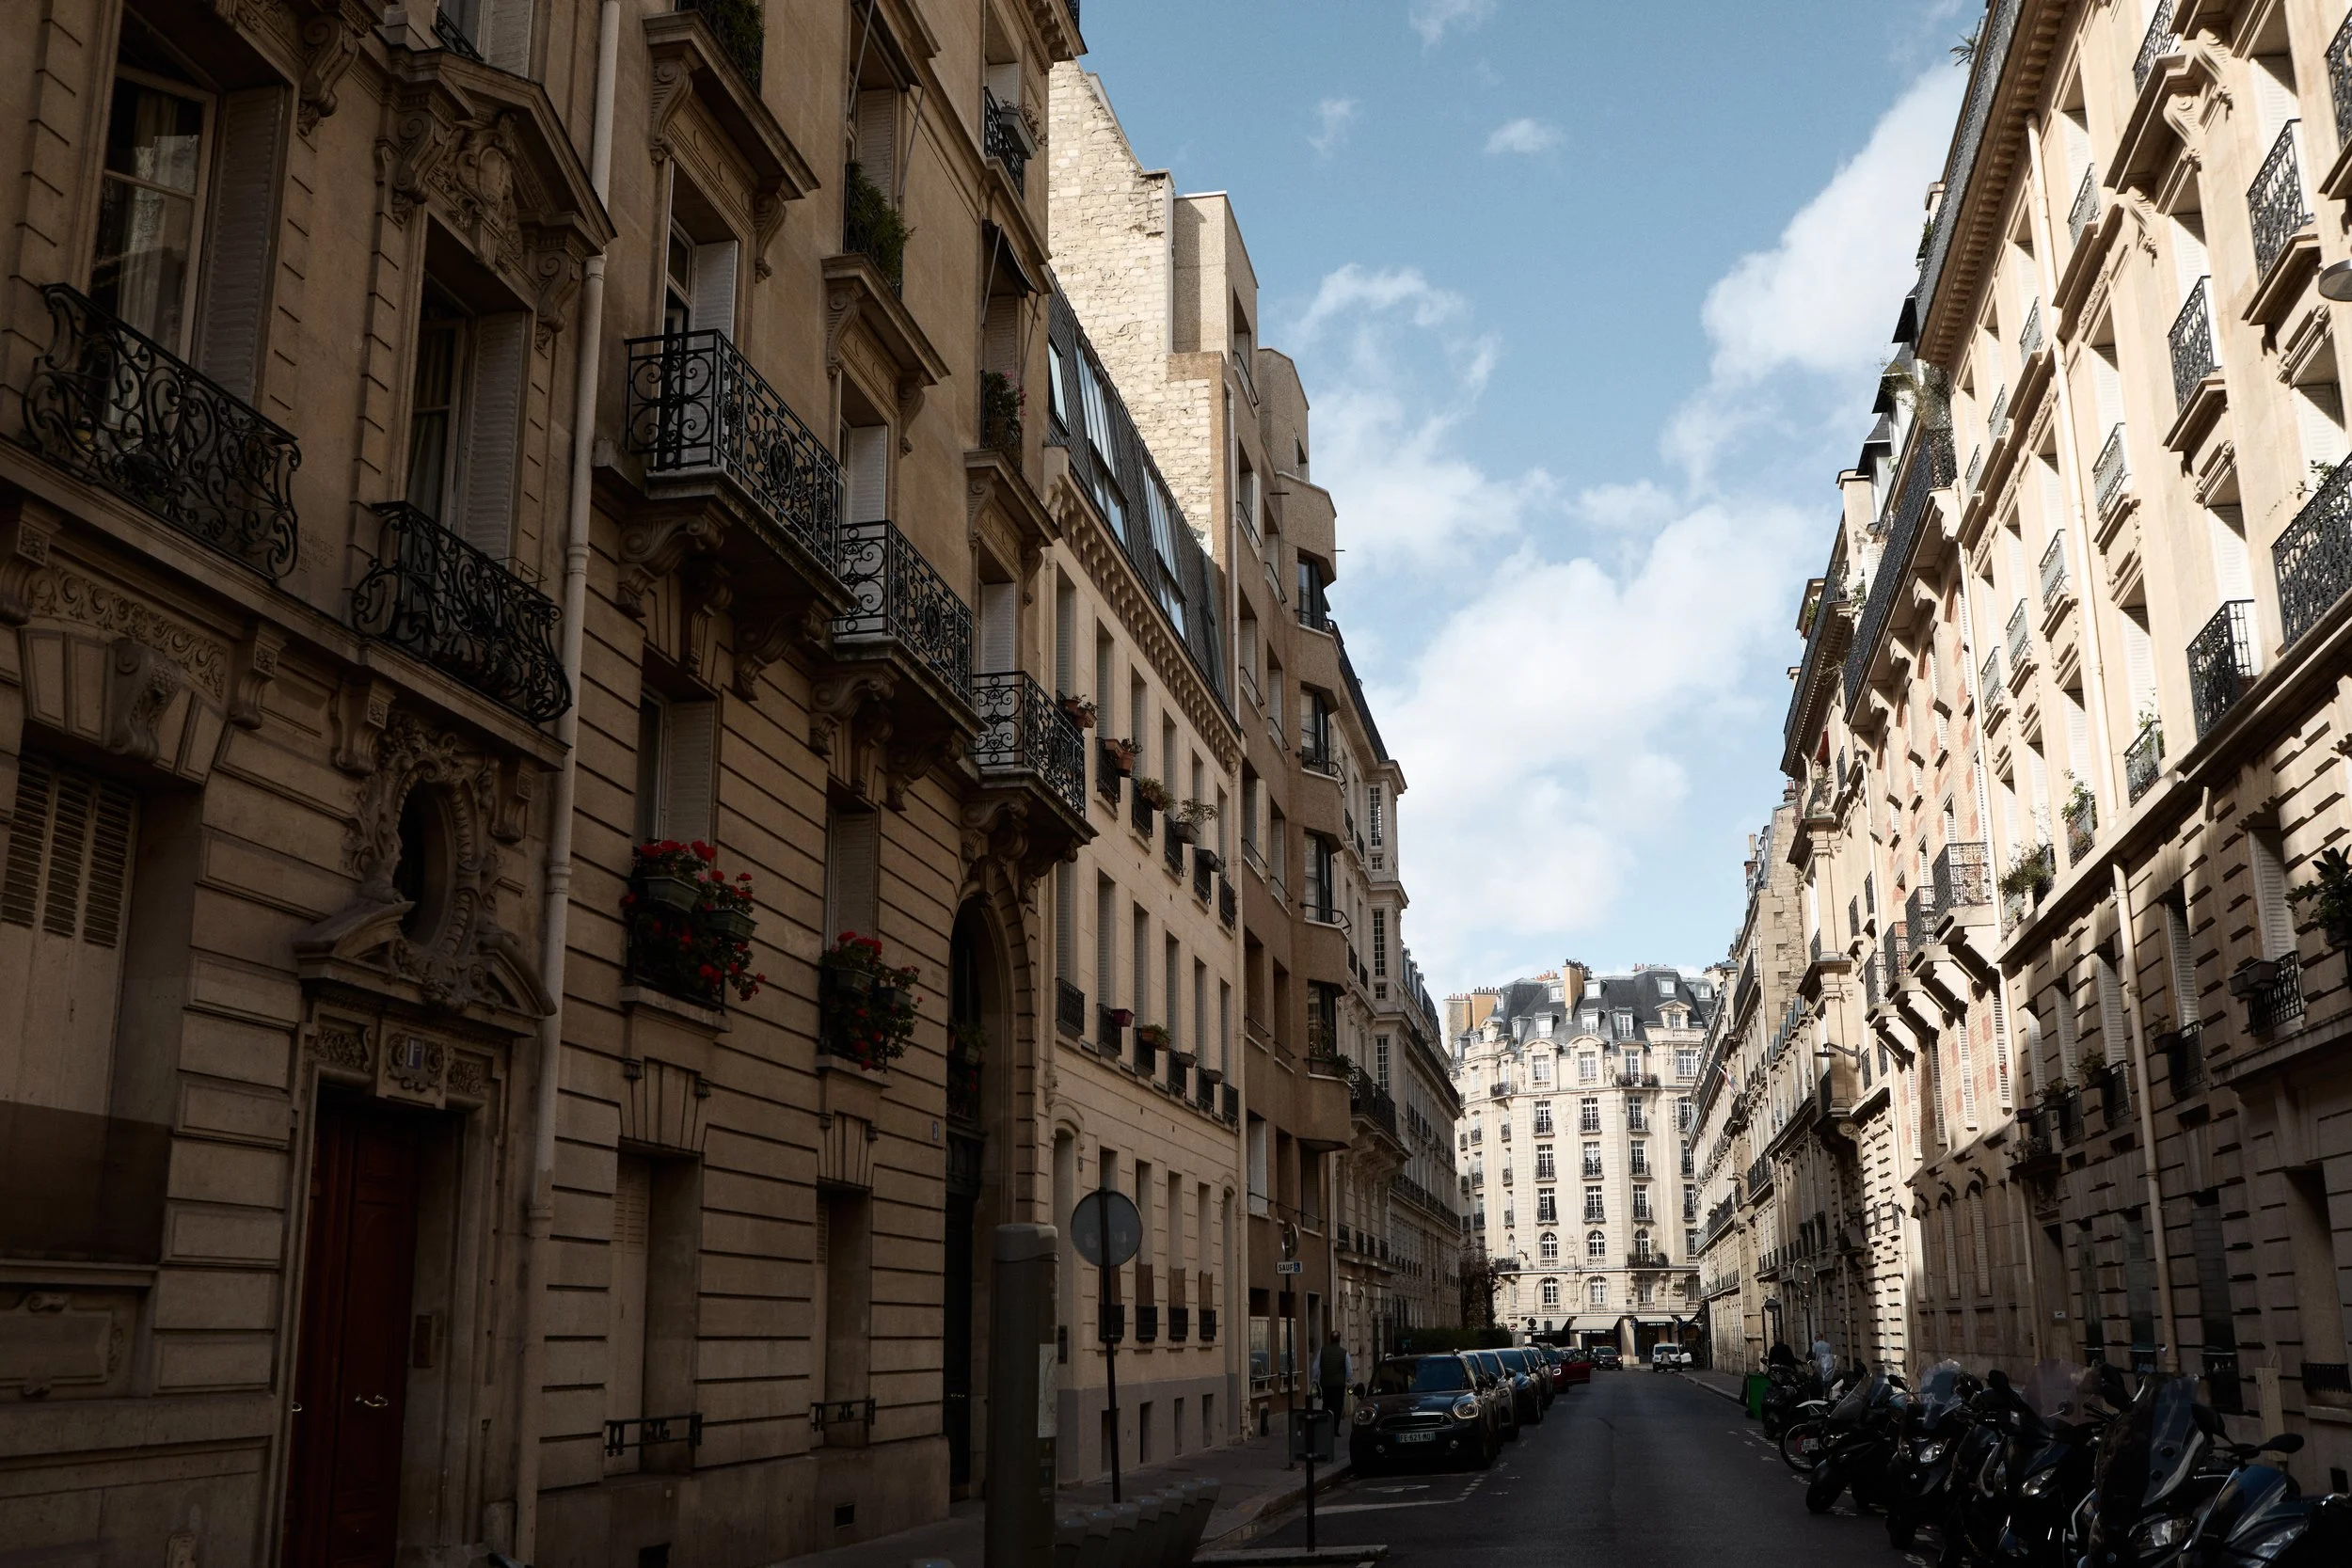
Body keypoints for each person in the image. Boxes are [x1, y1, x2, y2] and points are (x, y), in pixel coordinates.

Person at [1316, 1330, 1351, 1418]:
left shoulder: (1322, 1351)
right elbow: (1349, 1370)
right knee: (1338, 1408)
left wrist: (1314, 1381)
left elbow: (1315, 1367)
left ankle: (1326, 1427)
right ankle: (1335, 1429)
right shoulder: (1344, 1353)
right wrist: (1349, 1382)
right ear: (1339, 1339)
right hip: (1339, 1386)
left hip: (1326, 1385)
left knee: (1326, 1406)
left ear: (1330, 1339)